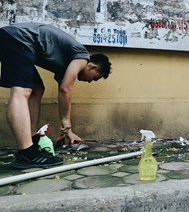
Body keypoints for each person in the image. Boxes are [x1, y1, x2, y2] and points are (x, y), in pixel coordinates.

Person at [0, 22, 112, 169]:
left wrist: (68, 131)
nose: (90, 81)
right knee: (22, 91)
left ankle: (32, 144)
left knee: (36, 89)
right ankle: (27, 153)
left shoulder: (67, 64)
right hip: (18, 39)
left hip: (16, 40)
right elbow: (66, 89)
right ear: (92, 66)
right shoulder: (82, 57)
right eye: (94, 78)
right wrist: (66, 120)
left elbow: (63, 93)